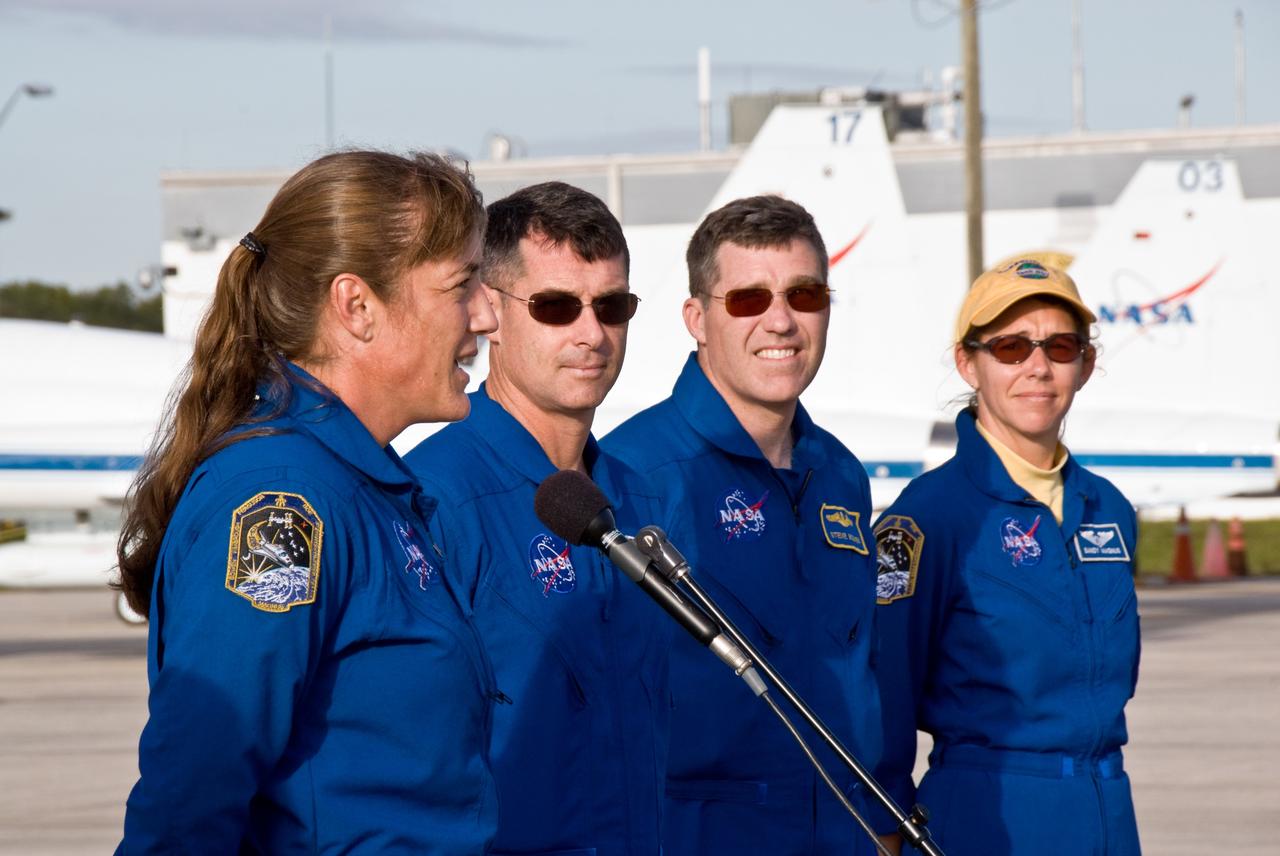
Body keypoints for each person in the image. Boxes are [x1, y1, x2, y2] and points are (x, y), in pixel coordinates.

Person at [115, 151, 501, 854]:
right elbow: (193, 791)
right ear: (357, 306)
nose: (486, 314)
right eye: (461, 284)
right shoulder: (283, 503)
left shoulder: (364, 487)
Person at [603, 195, 884, 855]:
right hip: (697, 831)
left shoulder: (841, 475)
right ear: (697, 319)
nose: (781, 321)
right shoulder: (633, 475)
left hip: (838, 826)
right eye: (749, 300)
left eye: (805, 295)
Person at [404, 182, 671, 856]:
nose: (592, 333)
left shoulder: (639, 502)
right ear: (488, 309)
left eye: (613, 306)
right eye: (556, 307)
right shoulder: (434, 498)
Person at [871, 259, 1141, 855]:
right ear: (969, 363)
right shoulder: (926, 519)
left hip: (1108, 814)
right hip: (987, 818)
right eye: (1012, 347)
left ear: (1086, 364)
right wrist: (885, 832)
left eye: (1060, 346)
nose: (1038, 367)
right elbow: (885, 694)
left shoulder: (1111, 511)